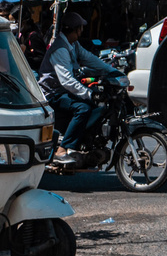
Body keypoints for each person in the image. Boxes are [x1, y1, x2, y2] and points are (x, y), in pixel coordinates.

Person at [40, 11, 122, 168]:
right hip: (53, 94)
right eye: (80, 28)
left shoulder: (72, 45)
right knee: (83, 108)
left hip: (64, 91)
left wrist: (111, 71)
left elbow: (89, 58)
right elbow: (67, 81)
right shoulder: (60, 49)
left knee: (95, 106)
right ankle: (62, 150)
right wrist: (90, 94)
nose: (82, 31)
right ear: (74, 29)